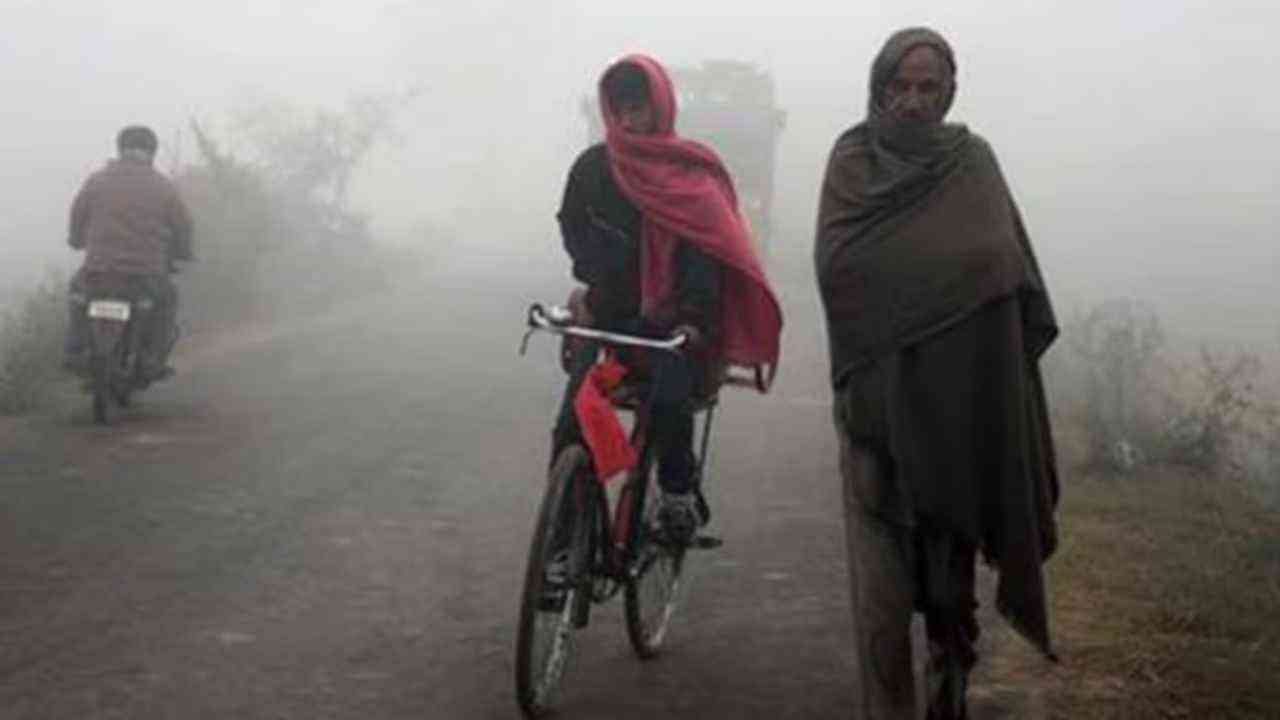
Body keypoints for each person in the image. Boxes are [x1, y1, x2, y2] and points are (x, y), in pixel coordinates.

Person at [814, 28, 1060, 719]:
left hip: (958, 422)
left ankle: (948, 704)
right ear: (880, 87)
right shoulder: (853, 161)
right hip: (877, 421)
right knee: (883, 613)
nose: (915, 101)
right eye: (902, 86)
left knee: (951, 604)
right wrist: (943, 287)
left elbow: (1005, 270)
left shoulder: (972, 163)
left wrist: (944, 289)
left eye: (930, 87)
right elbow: (840, 270)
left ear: (949, 92)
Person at [554, 54, 782, 544]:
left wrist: (695, 317)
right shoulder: (593, 169)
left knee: (670, 391)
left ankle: (678, 496)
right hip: (608, 315)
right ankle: (561, 542)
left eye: (641, 107)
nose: (632, 119)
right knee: (570, 423)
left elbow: (710, 246)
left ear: (661, 106)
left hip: (671, 321)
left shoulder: (688, 171)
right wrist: (596, 277)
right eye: (622, 108)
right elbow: (573, 225)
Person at [65, 125, 193, 378]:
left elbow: (78, 214)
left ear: (120, 149)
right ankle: (150, 359)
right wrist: (183, 252)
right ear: (152, 152)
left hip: (98, 270)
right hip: (145, 274)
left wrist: (76, 239)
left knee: (77, 296)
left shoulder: (97, 180)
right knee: (167, 300)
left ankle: (75, 350)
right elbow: (183, 224)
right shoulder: (163, 187)